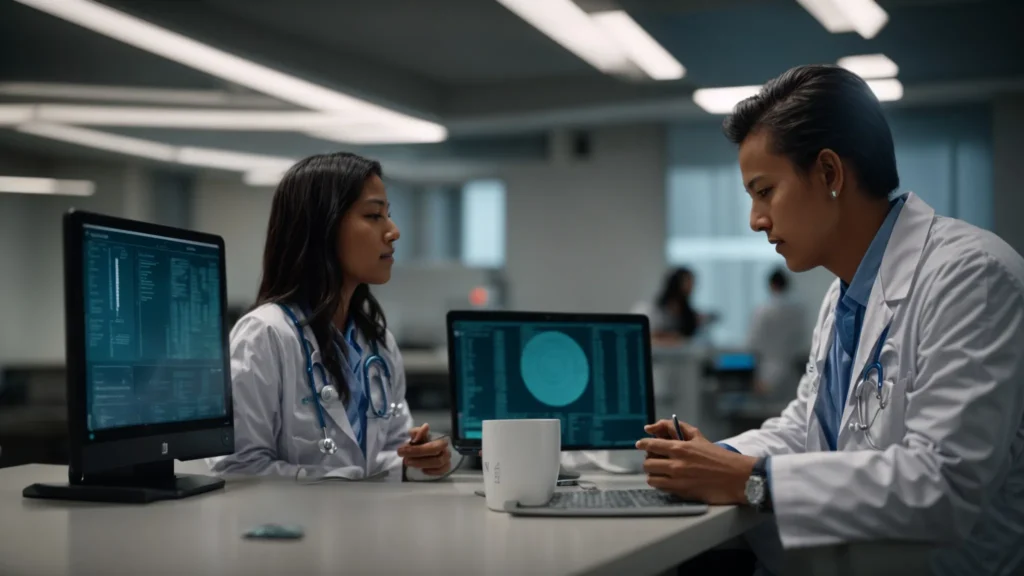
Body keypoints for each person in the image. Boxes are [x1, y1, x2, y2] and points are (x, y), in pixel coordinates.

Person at [636, 64, 1024, 576]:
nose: (755, 220)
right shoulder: (846, 293)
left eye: (764, 191)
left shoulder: (972, 277)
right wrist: (713, 456)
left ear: (828, 174)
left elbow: (941, 485)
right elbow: (807, 429)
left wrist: (751, 481)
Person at [210, 152, 452, 481]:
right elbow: (238, 468)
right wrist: (340, 481)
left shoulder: (377, 343)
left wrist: (416, 461)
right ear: (322, 228)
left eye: (388, 216)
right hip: (291, 516)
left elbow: (389, 450)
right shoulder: (264, 336)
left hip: (366, 513)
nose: (393, 231)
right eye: (373, 215)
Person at [745, 267, 806, 399]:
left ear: (771, 285)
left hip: (767, 374)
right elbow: (802, 340)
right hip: (791, 373)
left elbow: (753, 343)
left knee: (768, 410)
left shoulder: (763, 311)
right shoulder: (798, 311)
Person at [651, 267, 716, 343]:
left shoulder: (686, 311)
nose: (691, 286)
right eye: (687, 282)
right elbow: (653, 334)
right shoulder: (656, 309)